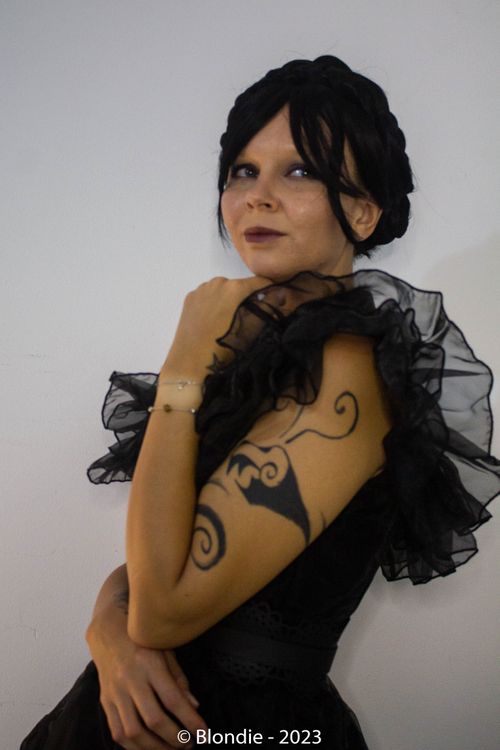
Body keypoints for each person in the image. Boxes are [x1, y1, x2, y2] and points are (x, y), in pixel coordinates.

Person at [20, 55, 499, 750]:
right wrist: (107, 626)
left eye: (299, 171)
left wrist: (182, 365)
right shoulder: (267, 349)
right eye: (243, 171)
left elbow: (163, 611)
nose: (257, 196)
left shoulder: (346, 370)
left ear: (363, 211)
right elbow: (167, 555)